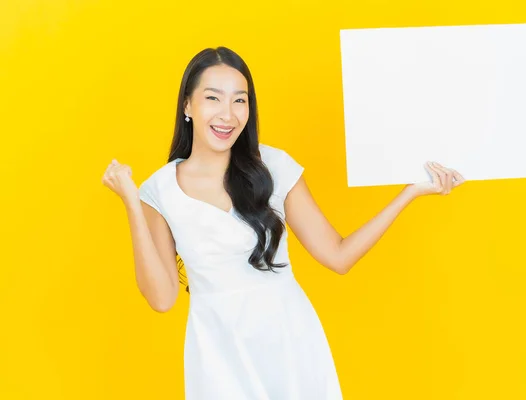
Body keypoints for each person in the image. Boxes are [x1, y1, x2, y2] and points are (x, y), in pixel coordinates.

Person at [101, 46, 465, 399]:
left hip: (290, 340)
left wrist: (409, 193)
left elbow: (338, 256)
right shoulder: (158, 190)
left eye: (239, 100)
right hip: (217, 351)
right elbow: (162, 299)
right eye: (213, 98)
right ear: (187, 105)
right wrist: (132, 203)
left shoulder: (273, 167)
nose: (228, 114)